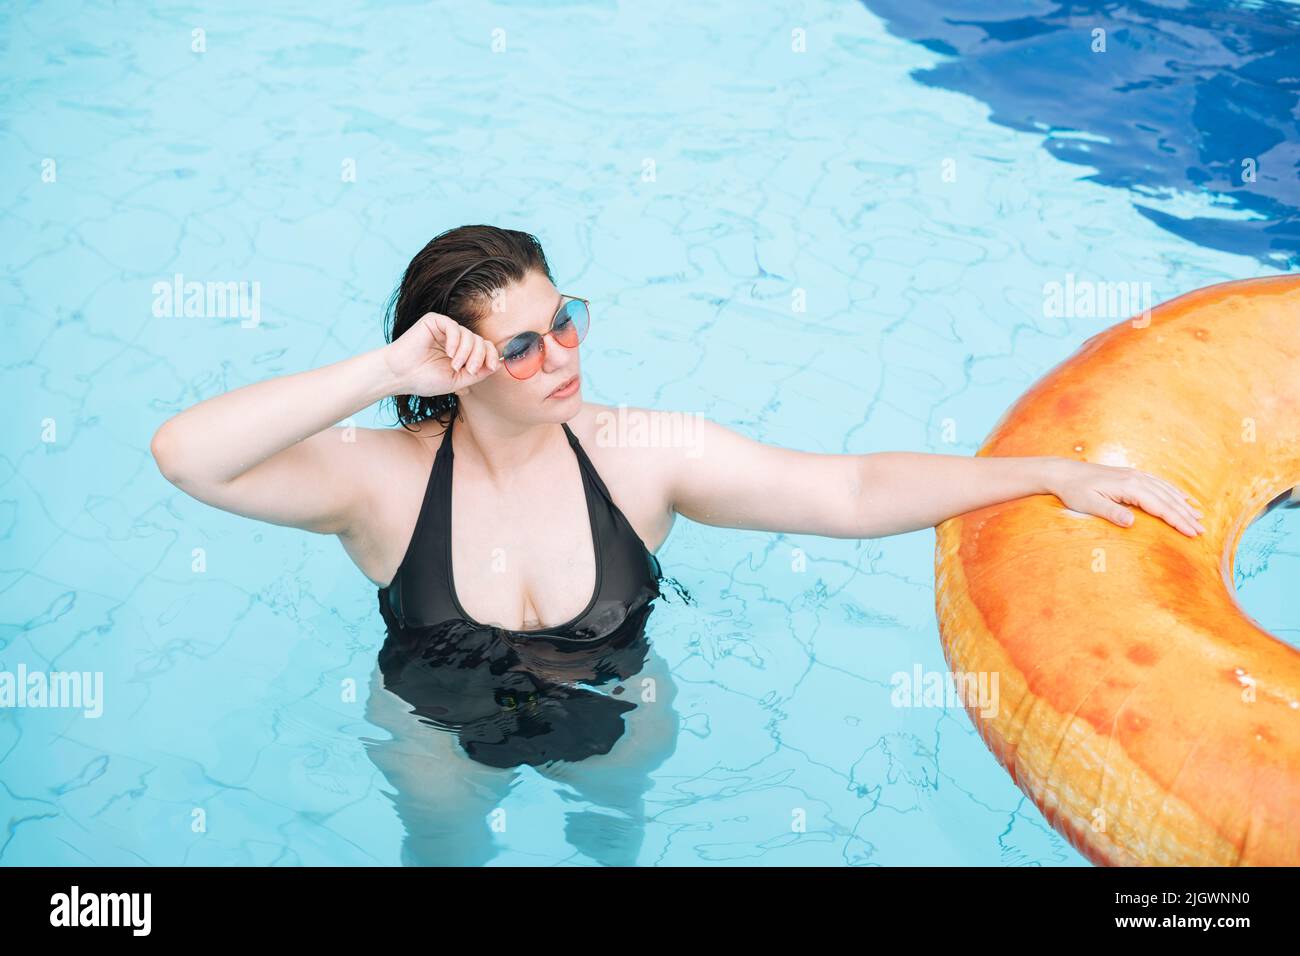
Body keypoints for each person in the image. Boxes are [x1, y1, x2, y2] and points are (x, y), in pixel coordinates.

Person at [149, 222, 1203, 863]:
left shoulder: (643, 456)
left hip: (617, 709)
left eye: (564, 319)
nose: (562, 354)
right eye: (520, 345)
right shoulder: (382, 482)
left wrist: (1049, 472)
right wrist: (380, 373)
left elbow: (847, 486)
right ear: (457, 364)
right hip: (437, 727)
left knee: (616, 846)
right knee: (444, 856)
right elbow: (187, 455)